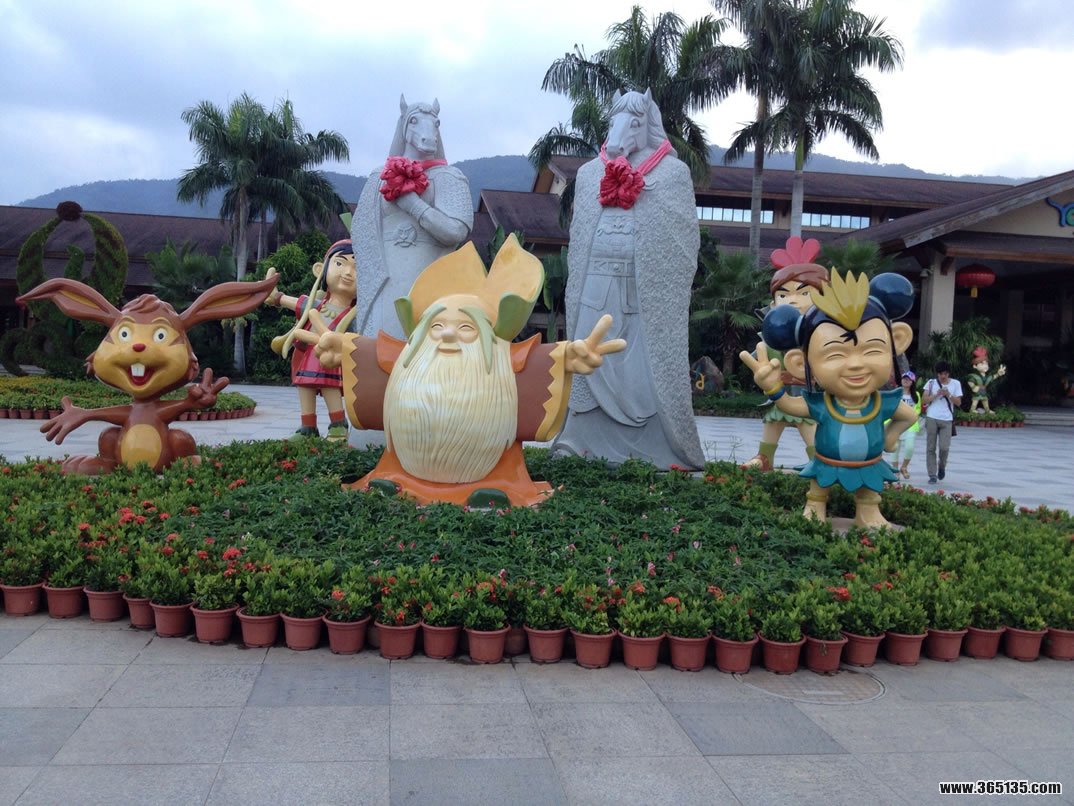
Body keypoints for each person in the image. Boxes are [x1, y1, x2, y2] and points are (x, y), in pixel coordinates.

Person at [301, 236, 626, 507]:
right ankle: (394, 478)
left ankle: (498, 487)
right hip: (403, 468)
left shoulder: (502, 361)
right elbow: (370, 354)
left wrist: (569, 355)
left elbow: (538, 361)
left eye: (466, 328)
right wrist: (342, 347)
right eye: (437, 326)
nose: (447, 334)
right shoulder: (408, 358)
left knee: (502, 475)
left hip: (492, 470)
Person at [739, 270, 917, 528]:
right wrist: (773, 388)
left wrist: (889, 439)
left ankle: (868, 512)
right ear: (800, 363)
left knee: (869, 492)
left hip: (869, 464)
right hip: (826, 464)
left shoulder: (881, 402)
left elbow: (908, 416)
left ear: (897, 341)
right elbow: (788, 406)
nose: (855, 364)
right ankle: (815, 508)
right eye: (835, 355)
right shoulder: (823, 404)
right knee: (818, 491)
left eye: (872, 350)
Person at [742, 236, 828, 470]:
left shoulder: (822, 339)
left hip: (806, 397)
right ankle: (764, 458)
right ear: (773, 304)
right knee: (773, 420)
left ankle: (819, 460)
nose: (792, 300)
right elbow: (759, 362)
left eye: (804, 293)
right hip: (778, 393)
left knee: (807, 423)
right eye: (783, 295)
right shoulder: (772, 338)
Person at [265, 240, 356, 441]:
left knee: (330, 386)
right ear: (320, 270)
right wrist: (275, 296)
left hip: (331, 358)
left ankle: (338, 425)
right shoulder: (314, 305)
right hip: (308, 355)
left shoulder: (354, 315)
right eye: (339, 263)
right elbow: (292, 302)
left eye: (357, 268)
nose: (348, 273)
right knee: (305, 386)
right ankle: (308, 427)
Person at [922, 361, 963, 484]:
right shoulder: (931, 383)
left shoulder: (955, 383)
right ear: (937, 374)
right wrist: (936, 394)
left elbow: (958, 403)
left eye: (945, 374)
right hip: (932, 417)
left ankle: (942, 466)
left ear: (948, 373)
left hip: (947, 419)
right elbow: (924, 400)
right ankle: (932, 474)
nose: (943, 376)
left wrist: (948, 394)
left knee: (944, 448)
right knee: (931, 447)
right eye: (940, 374)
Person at [887, 370, 921, 479]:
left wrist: (912, 415)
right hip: (896, 424)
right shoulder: (896, 393)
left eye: (908, 379)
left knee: (909, 447)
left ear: (912, 382)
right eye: (904, 379)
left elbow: (918, 408)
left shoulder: (916, 395)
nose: (906, 381)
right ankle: (895, 470)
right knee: (895, 448)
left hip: (910, 425)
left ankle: (904, 467)